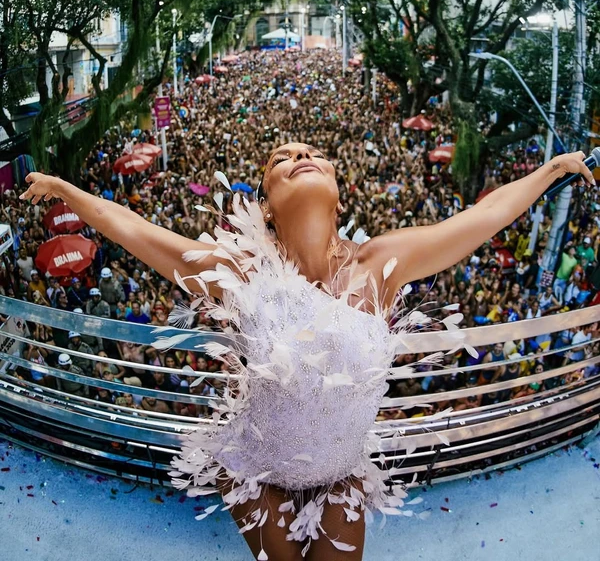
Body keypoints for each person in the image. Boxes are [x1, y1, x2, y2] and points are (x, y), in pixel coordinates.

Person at [20, 148, 595, 561]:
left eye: (312, 153)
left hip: (342, 473)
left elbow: (479, 220)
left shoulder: (380, 264)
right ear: (265, 204)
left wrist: (548, 171)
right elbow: (137, 232)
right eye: (279, 159)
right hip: (258, 471)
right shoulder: (241, 270)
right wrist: (71, 194)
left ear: (340, 191)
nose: (298, 155)